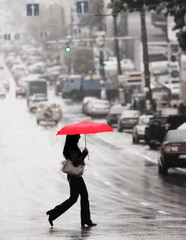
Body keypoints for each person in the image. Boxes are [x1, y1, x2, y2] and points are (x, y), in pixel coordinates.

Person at [46, 134, 97, 228]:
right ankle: (85, 220)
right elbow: (75, 162)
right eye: (78, 135)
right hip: (74, 177)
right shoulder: (72, 148)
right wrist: (84, 154)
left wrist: (82, 157)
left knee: (75, 198)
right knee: (79, 197)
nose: (80, 137)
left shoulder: (70, 147)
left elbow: (75, 161)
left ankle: (54, 213)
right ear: (73, 137)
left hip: (73, 176)